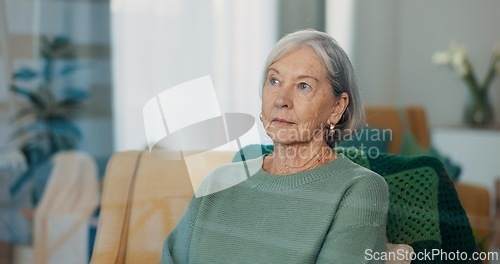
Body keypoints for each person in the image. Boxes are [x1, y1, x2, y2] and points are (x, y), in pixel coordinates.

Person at [160, 29, 389, 263]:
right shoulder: (217, 181)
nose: (281, 100)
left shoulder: (359, 189)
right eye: (274, 81)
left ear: (337, 108)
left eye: (303, 86)